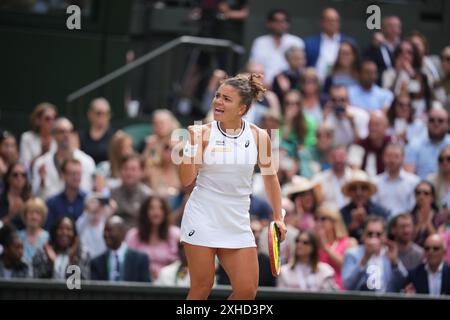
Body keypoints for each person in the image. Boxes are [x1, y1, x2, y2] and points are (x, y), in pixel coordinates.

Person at [179, 73, 287, 300]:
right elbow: (186, 179)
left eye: (227, 99)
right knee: (202, 286)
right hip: (202, 214)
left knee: (247, 291)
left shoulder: (259, 136)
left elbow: (270, 177)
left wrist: (278, 216)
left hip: (237, 218)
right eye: (218, 96)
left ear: (242, 109)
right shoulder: (203, 134)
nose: (218, 101)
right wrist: (191, 146)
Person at [31, 117, 95, 199]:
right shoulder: (41, 163)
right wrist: (42, 183)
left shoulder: (87, 162)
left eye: (70, 131)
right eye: (61, 132)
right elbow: (35, 195)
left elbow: (89, 192)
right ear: (53, 135)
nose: (66, 135)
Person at [342, 216, 407, 292]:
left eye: (378, 234)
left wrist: (395, 263)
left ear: (385, 236)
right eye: (370, 234)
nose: (374, 237)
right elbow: (348, 285)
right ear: (363, 235)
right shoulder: (352, 254)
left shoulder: (389, 252)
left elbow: (403, 282)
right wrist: (365, 259)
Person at [125, 195, 180, 280]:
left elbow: (179, 263)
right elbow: (128, 263)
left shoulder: (175, 234)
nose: (156, 212)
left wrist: (163, 275)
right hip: (139, 283)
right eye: (151, 208)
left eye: (160, 208)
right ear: (145, 212)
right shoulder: (133, 235)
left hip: (168, 283)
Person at [249, 9, 304, 87]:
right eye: (276, 21)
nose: (279, 24)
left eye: (283, 21)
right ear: (269, 23)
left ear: (288, 24)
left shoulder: (296, 42)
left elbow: (300, 69)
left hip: (290, 87)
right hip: (263, 86)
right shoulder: (260, 42)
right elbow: (253, 66)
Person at [217, 218, 276, 287]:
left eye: (260, 231)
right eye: (253, 231)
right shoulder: (228, 259)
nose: (257, 235)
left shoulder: (267, 261)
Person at [90, 215, 150, 282]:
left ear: (122, 232)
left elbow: (146, 287)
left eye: (110, 230)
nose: (106, 235)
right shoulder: (96, 262)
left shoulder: (139, 260)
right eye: (104, 231)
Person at [304, 7, 356, 83]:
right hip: (316, 86)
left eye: (335, 20)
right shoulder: (310, 43)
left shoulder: (349, 42)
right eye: (329, 20)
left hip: (341, 84)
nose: (332, 23)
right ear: (322, 22)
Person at [340, 170, 390, 241]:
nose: (358, 193)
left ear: (369, 191)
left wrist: (366, 221)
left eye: (363, 188)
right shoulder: (342, 213)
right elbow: (338, 240)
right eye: (354, 189)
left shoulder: (380, 212)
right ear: (350, 192)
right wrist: (352, 226)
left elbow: (385, 237)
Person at [315, 206, 357, 290]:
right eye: (316, 219)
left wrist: (326, 248)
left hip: (340, 291)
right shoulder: (315, 243)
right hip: (318, 290)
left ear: (334, 221)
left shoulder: (349, 242)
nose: (319, 222)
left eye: (323, 218)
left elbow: (346, 266)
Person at [372, 143, 420, 216]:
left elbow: (414, 208)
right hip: (381, 222)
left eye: (396, 156)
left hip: (406, 222)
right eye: (389, 156)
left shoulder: (414, 181)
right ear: (383, 157)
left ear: (403, 158)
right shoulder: (375, 182)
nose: (392, 160)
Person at [405, 106, 450, 179]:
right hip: (422, 188)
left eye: (440, 120)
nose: (436, 123)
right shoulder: (414, 144)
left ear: (448, 125)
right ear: (427, 123)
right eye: (432, 120)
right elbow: (408, 176)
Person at [110, 154, 152, 229]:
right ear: (120, 171)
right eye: (125, 169)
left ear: (141, 172)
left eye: (133, 169)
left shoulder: (147, 196)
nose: (129, 173)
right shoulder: (112, 193)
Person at [45, 159, 87, 230]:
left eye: (79, 174)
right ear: (63, 175)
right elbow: (48, 229)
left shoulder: (88, 200)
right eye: (73, 173)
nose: (76, 177)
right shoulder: (52, 203)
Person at [348, 111, 391, 176]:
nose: (372, 128)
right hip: (364, 184)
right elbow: (355, 172)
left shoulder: (392, 144)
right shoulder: (358, 144)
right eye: (370, 124)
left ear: (385, 127)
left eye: (376, 125)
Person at [312, 145, 354, 210]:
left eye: (341, 156)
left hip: (350, 215)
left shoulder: (354, 177)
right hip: (327, 215)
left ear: (346, 157)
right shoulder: (319, 179)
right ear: (330, 159)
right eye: (334, 157)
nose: (338, 160)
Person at [76, 193, 114, 259]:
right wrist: (90, 209)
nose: (98, 207)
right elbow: (80, 225)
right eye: (95, 203)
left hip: (101, 262)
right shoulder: (82, 222)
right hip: (85, 261)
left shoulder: (106, 223)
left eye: (101, 205)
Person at [78, 97, 115, 164]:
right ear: (90, 114)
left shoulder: (115, 136)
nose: (103, 116)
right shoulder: (80, 136)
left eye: (107, 113)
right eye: (99, 113)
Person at [19, 102, 57, 168]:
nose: (52, 122)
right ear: (37, 120)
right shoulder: (27, 137)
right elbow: (25, 166)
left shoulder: (58, 138)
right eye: (47, 119)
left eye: (54, 118)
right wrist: (42, 153)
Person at [364, 15, 402, 80]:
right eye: (390, 26)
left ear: (400, 29)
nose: (393, 29)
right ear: (382, 28)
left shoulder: (404, 46)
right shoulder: (375, 46)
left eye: (396, 26)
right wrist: (374, 47)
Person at [17, 197, 49, 267]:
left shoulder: (48, 238)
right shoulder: (17, 237)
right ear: (25, 215)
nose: (34, 216)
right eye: (31, 212)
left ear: (42, 217)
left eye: (38, 213)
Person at [410, 181, 444, 247]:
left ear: (432, 197)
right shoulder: (409, 217)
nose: (421, 196)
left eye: (426, 193)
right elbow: (407, 241)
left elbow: (440, 243)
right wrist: (419, 224)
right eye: (418, 193)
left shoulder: (440, 218)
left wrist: (428, 223)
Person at [0, 162, 32, 229]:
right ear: (8, 178)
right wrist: (11, 215)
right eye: (15, 175)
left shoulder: (30, 201)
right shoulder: (1, 199)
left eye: (23, 175)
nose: (19, 178)